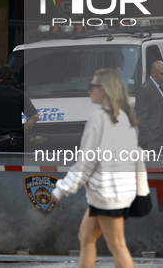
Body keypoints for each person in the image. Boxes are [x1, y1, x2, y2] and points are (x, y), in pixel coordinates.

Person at [51, 69, 139, 268]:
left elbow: (85, 162)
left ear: (105, 90)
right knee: (86, 237)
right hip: (115, 191)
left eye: (93, 86)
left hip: (106, 193)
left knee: (116, 245)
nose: (89, 90)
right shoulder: (124, 118)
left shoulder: (98, 118)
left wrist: (61, 188)